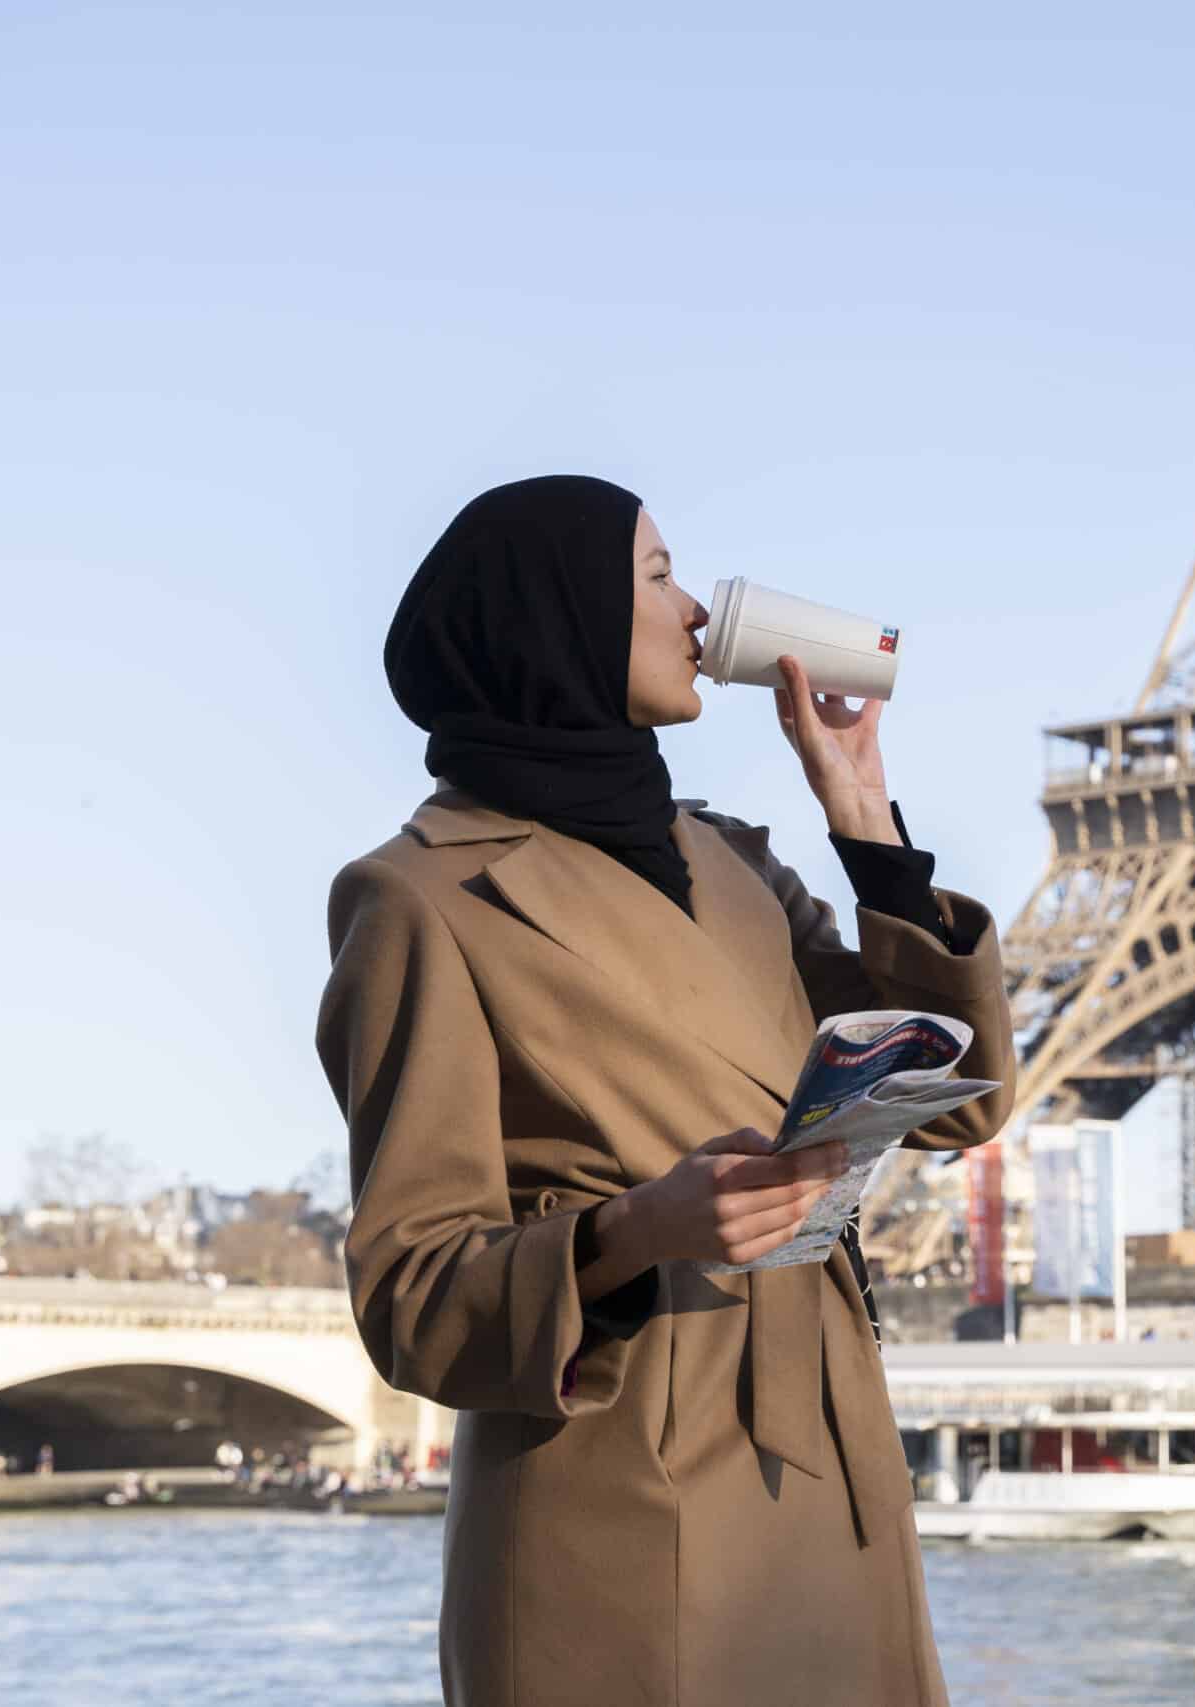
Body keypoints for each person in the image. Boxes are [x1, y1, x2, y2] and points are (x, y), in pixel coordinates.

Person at [318, 476, 1013, 1707]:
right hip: (621, 1501)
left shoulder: (734, 860)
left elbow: (962, 1100)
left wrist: (859, 812)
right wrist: (637, 1230)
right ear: (562, 618)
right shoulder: (420, 899)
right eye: (655, 575)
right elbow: (410, 1294)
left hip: (830, 1471)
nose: (697, 610)